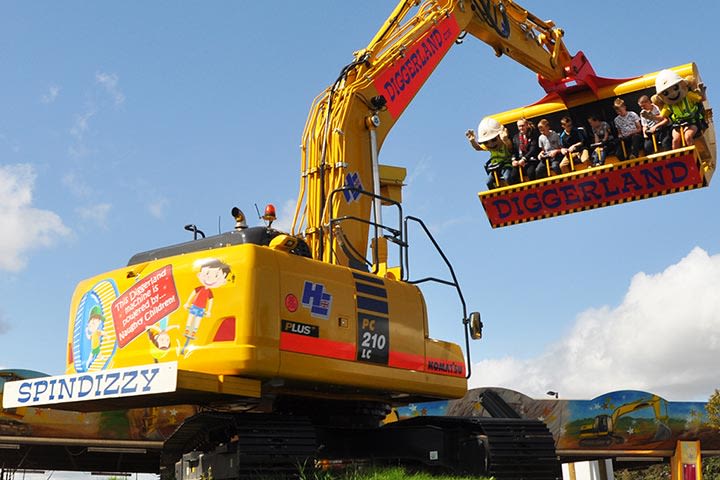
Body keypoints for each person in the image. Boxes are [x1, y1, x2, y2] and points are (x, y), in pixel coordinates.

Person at [655, 69, 707, 149]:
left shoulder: (689, 96)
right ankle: (677, 157)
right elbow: (661, 117)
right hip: (678, 124)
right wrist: (649, 116)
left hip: (692, 121)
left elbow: (701, 99)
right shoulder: (668, 105)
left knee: (688, 137)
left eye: (675, 88)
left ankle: (691, 154)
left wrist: (702, 92)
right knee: (675, 140)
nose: (673, 94)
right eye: (666, 93)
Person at [466, 117, 516, 189]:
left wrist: (505, 139)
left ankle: (514, 190)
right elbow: (478, 148)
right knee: (488, 182)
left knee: (507, 177)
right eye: (486, 142)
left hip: (506, 164)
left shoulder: (504, 144)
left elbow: (510, 147)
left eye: (494, 140)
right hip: (495, 167)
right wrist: (472, 141)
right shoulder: (489, 148)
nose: (491, 144)